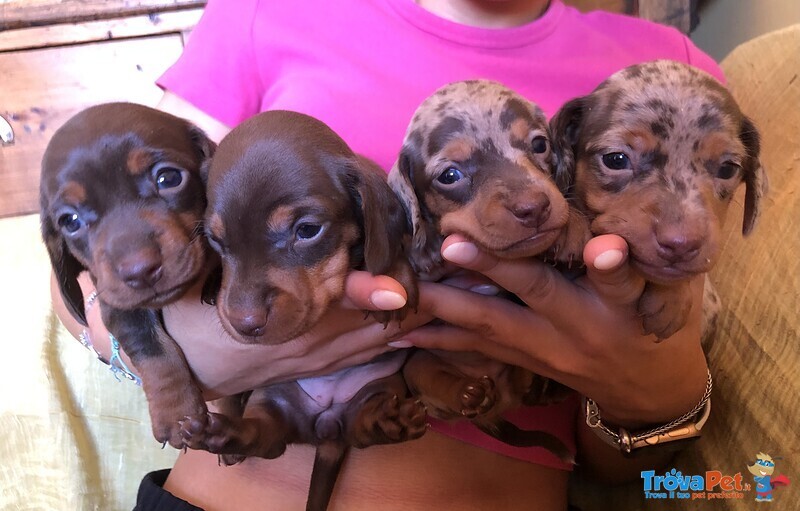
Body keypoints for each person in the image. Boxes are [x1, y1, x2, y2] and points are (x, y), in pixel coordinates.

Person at [51, 0, 723, 509]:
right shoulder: (270, 12)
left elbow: (618, 469)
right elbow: (97, 260)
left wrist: (656, 397)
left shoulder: (666, 73)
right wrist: (176, 359)